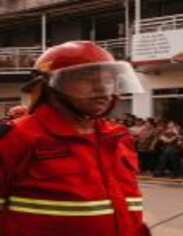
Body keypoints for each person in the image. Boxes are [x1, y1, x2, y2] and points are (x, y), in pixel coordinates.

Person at [0, 41, 150, 236]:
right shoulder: (15, 137)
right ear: (49, 87)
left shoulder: (118, 137)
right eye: (86, 79)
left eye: (107, 80)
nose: (101, 88)